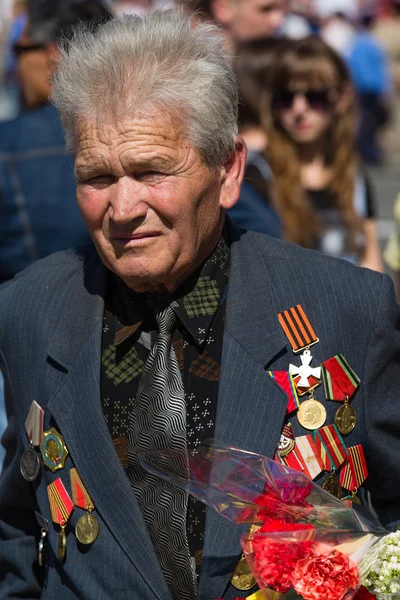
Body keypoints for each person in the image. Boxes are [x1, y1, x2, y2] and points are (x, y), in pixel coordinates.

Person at [1, 10, 400, 600]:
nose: (123, 207)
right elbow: (17, 524)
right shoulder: (30, 309)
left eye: (151, 170)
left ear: (228, 170)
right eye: (97, 177)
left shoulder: (344, 309)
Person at [0, 0, 113, 283]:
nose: (16, 65)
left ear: (53, 56)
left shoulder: (8, 145)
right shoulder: (157, 134)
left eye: (20, 50)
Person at [263, 35, 383, 270]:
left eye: (314, 96)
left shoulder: (354, 173)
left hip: (349, 303)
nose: (299, 109)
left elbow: (372, 263)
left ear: (342, 97)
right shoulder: (259, 173)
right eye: (286, 97)